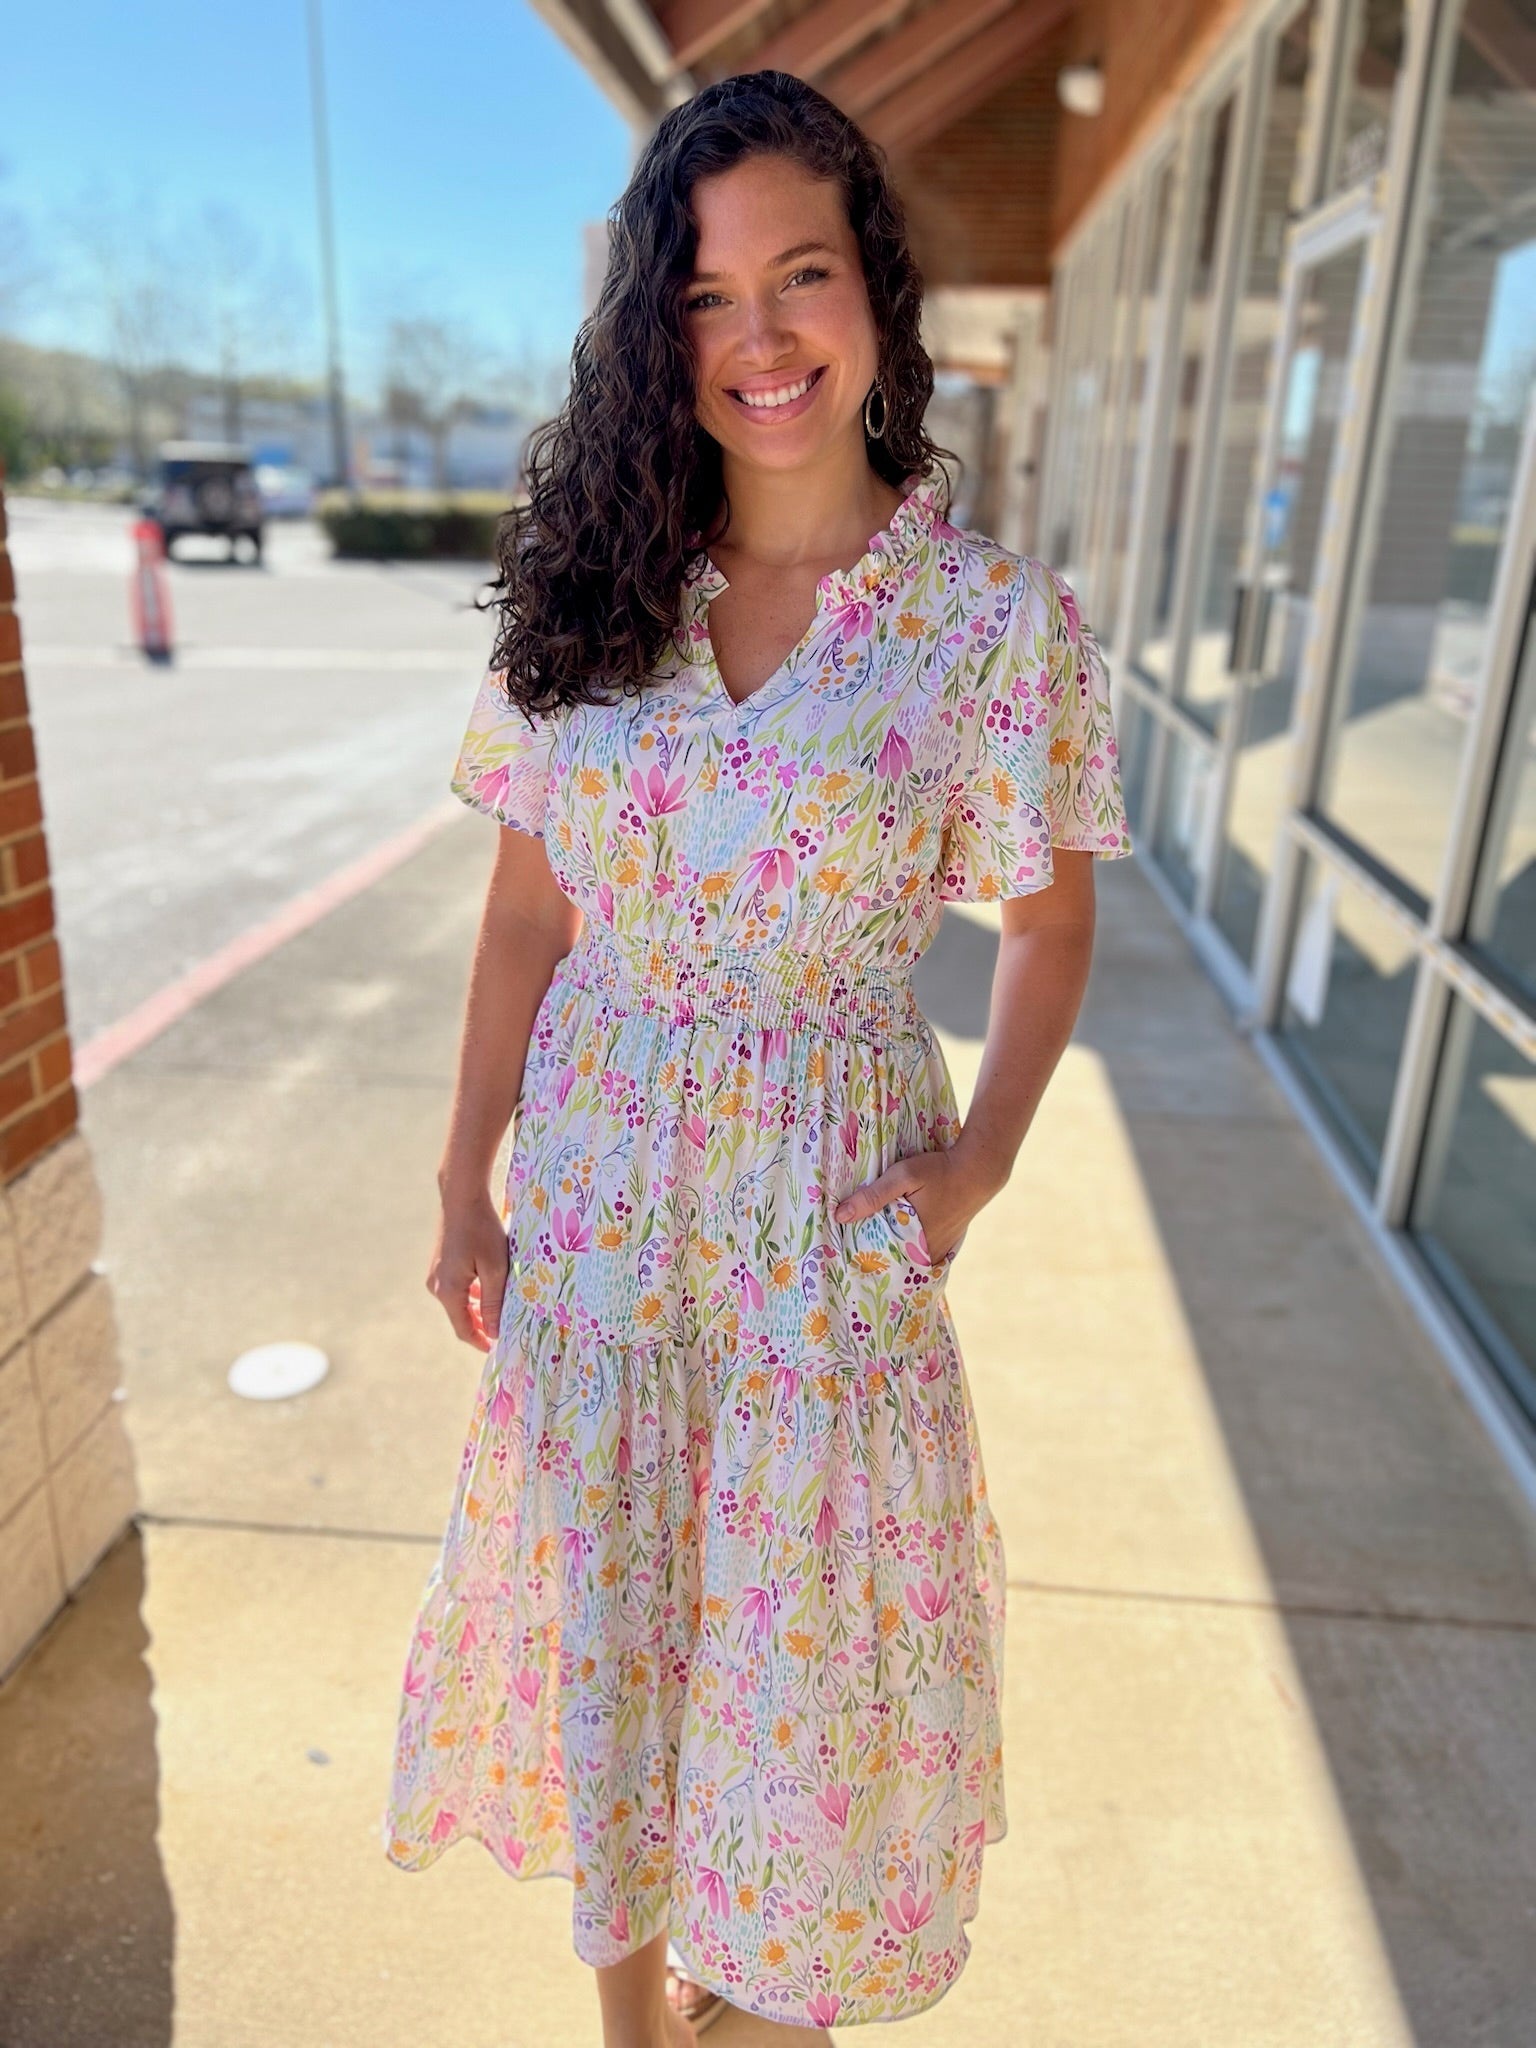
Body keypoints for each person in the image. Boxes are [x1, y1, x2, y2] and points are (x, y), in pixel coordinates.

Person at [382, 67, 1130, 2047]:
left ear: (875, 301)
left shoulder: (985, 628)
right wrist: (468, 1174)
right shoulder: (603, 593)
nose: (761, 337)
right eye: (707, 297)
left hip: (822, 1240)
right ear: (661, 333)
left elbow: (1053, 922)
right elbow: (532, 919)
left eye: (801, 276)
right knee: (620, 1667)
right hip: (609, 1231)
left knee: (807, 1711)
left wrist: (973, 1169)